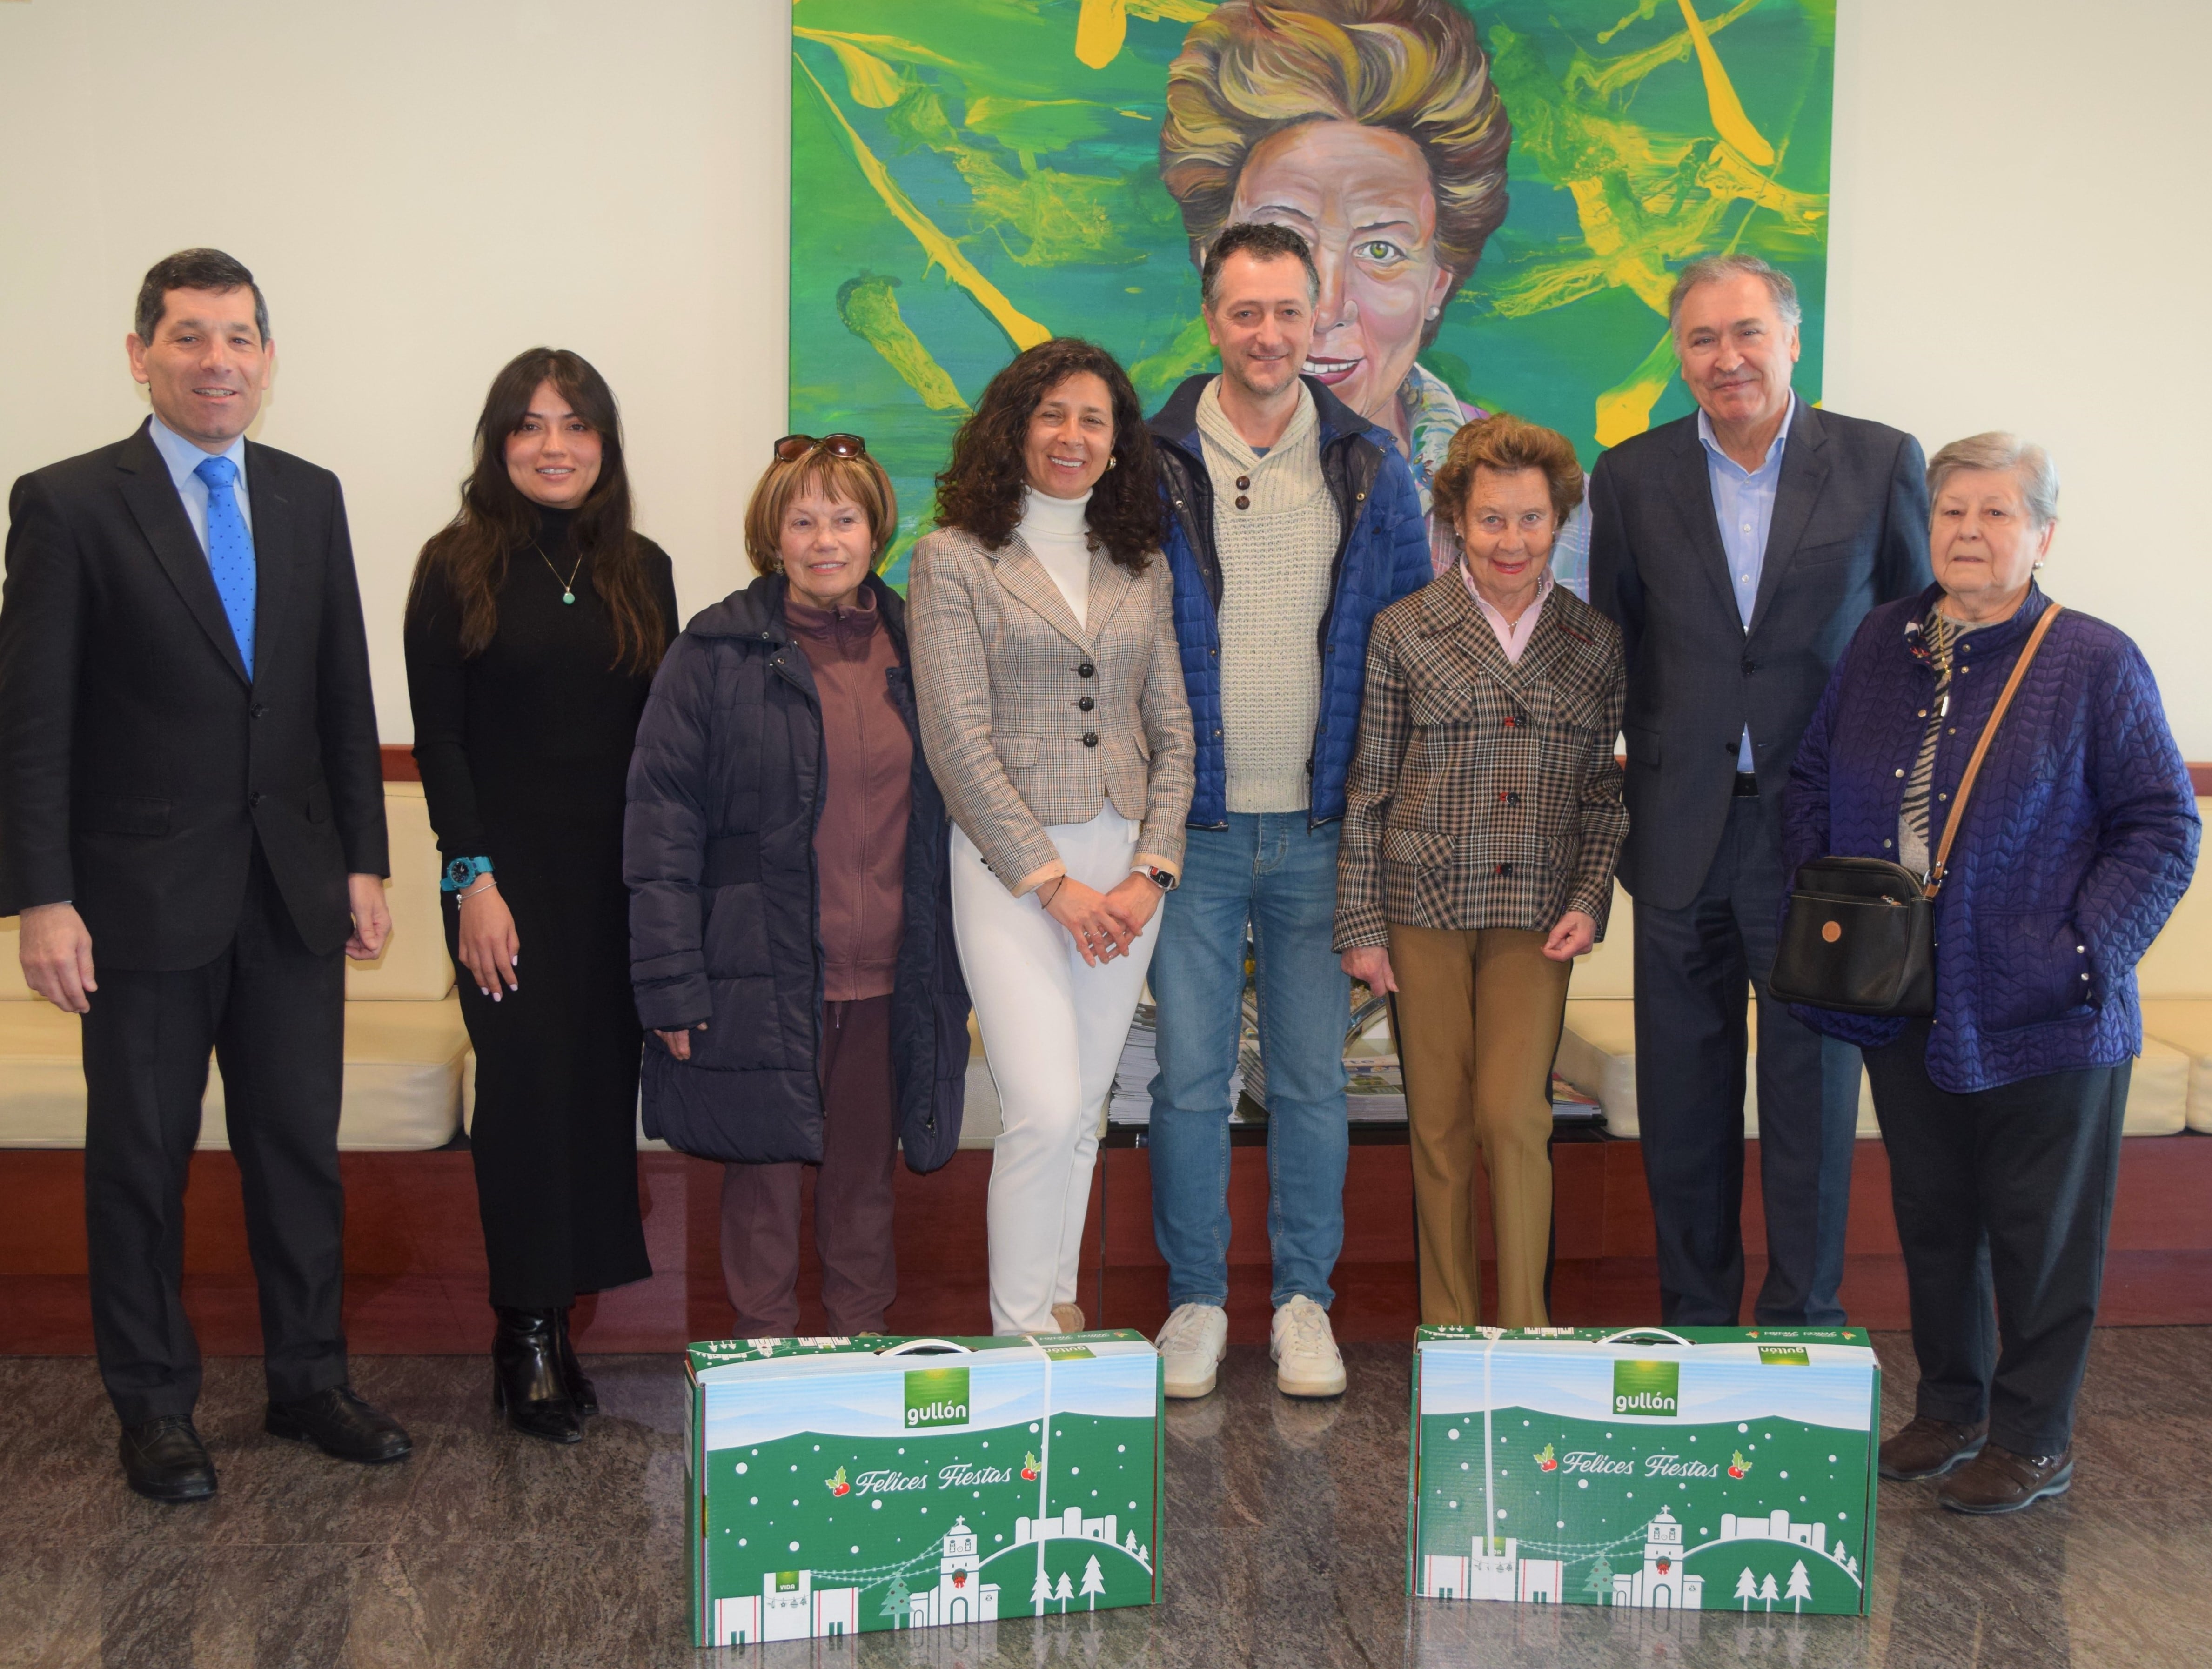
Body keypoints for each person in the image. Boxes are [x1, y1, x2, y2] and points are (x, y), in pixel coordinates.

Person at [0, 249, 409, 1501]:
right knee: (141, 1159)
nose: (216, 361)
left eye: (238, 337)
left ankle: (307, 1380)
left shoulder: (306, 493)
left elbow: (342, 691)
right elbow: (31, 719)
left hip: (288, 890)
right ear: (141, 356)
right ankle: (155, 1404)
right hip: (133, 902)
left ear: (268, 359)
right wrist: (42, 897)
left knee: (299, 1149)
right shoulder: (69, 503)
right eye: (188, 337)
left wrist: (362, 858)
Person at [1785, 434, 2197, 1513]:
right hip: (1905, 996)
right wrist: (1825, 899)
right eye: (1953, 510)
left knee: (2040, 1230)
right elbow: (1814, 776)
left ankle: (2033, 1431)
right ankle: (1951, 1406)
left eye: (1997, 513)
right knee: (1934, 1215)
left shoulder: (2092, 659)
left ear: (2042, 534)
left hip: (2047, 1008)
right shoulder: (1883, 641)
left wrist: (2079, 951)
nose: (1970, 531)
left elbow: (2160, 827)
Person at [1588, 253, 1932, 1329]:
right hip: (1682, 833)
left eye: (1745, 334)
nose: (1724, 358)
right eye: (1700, 339)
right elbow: (1621, 644)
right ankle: (1693, 1328)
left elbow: (1916, 648)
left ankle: (1802, 1333)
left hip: (1820, 843)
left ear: (1792, 340)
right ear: (1679, 356)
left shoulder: (1878, 464)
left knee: (1809, 1107)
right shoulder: (1631, 476)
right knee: (1683, 1110)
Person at [1146, 222, 1431, 1400]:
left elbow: (1412, 649)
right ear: (1211, 318)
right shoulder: (1148, 461)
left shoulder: (1370, 463)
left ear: (1318, 322)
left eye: (1286, 312)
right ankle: (1198, 1301)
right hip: (1195, 833)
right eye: (1243, 311)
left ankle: (1304, 1301)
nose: (1268, 334)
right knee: (1189, 1081)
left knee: (1314, 1080)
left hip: (1326, 832)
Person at [625, 435, 967, 1339]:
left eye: (843, 517)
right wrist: (669, 983)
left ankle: (860, 1367)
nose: (825, 538)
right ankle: (763, 1381)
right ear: (772, 533)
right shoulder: (712, 653)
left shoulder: (922, 645)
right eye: (803, 517)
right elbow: (660, 827)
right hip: (760, 971)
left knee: (862, 1189)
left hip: (890, 974)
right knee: (763, 1189)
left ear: (875, 530)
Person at [403, 349, 676, 1442]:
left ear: (605, 445)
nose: (553, 444)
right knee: (521, 1096)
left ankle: (563, 1319)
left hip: (615, 883)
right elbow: (441, 738)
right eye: (529, 424)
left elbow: (664, 738)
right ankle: (520, 1331)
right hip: (501, 886)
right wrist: (472, 880)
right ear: (497, 440)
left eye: (575, 424)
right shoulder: (454, 563)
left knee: (598, 1094)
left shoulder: (643, 567)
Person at [908, 338, 1194, 1339]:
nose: (1072, 436)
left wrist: (1152, 866)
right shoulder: (952, 557)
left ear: (1118, 444)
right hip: (1009, 869)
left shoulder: (1140, 563)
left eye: (1093, 419)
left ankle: (1058, 1309)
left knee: (1084, 1110)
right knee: (1037, 1102)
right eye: (1052, 414)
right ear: (1014, 426)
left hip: (1128, 870)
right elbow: (955, 737)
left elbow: (1173, 729)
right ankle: (1019, 1334)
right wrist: (1054, 881)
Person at [1335, 414, 1626, 1328]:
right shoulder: (1405, 629)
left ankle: (1529, 1330)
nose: (1512, 540)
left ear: (1559, 521)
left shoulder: (1595, 642)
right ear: (1458, 519)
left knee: (1513, 1118)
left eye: (1531, 519)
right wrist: (1361, 925)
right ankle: (1453, 1333)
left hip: (1538, 913)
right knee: (1440, 1130)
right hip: (1420, 905)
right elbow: (1369, 785)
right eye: (1492, 518)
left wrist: (1590, 896)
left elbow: (1603, 797)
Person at [1157, 0, 1587, 587]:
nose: (1325, 308)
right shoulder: (1139, 475)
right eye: (1284, 240)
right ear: (1212, 268)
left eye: (1381, 250)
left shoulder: (1536, 494)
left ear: (1439, 282)